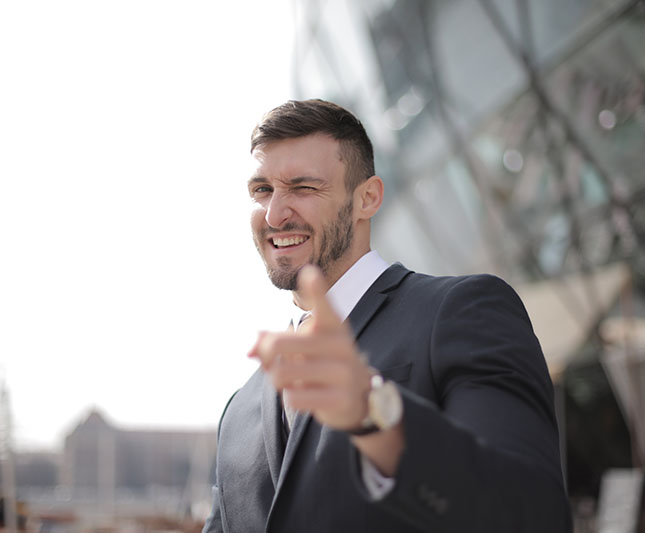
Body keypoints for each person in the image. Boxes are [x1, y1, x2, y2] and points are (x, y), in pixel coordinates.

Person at [204, 99, 571, 532]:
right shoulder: (238, 411)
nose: (274, 214)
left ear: (368, 198)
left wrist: (376, 414)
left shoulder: (462, 312)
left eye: (303, 188)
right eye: (262, 191)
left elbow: (532, 513)